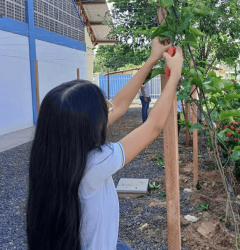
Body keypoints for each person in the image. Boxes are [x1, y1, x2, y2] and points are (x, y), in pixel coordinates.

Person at [26, 38, 183, 250]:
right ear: (91, 124)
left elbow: (118, 106)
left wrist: (152, 59)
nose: (107, 113)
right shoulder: (95, 163)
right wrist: (174, 77)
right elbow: (153, 126)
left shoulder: (54, 153)